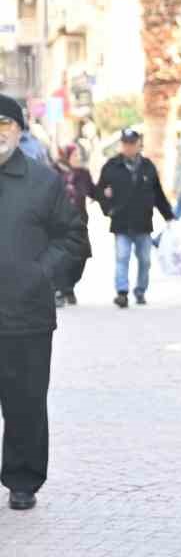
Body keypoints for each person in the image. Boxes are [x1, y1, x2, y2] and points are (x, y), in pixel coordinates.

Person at [0, 94, 89, 511]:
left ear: (19, 130)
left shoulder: (43, 181)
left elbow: (73, 237)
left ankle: (23, 480)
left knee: (25, 403)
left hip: (26, 317)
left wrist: (40, 274)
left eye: (6, 124)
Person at [95, 127, 175, 308]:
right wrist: (108, 209)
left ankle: (140, 291)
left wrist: (168, 215)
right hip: (121, 221)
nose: (129, 147)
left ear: (139, 145)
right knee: (122, 257)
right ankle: (122, 292)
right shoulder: (111, 166)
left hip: (143, 222)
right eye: (125, 144)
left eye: (132, 144)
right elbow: (99, 191)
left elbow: (158, 193)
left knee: (145, 260)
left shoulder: (147, 167)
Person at [52, 144, 96, 305]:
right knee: (63, 258)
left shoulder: (83, 174)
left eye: (79, 155)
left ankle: (69, 286)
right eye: (75, 155)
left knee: (81, 257)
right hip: (59, 224)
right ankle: (61, 290)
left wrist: (110, 197)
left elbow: (94, 192)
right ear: (66, 157)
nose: (78, 158)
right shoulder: (54, 172)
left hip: (80, 223)